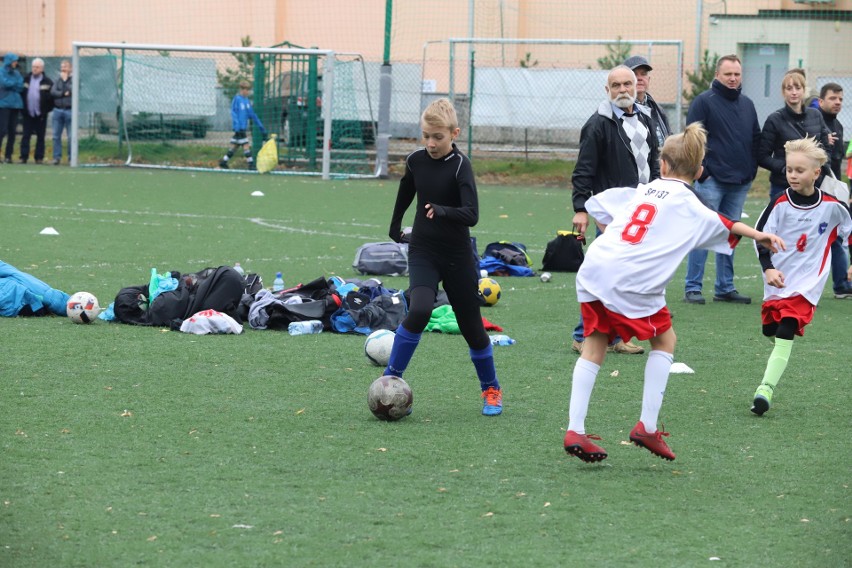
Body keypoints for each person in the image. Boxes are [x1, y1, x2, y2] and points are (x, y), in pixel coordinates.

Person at [563, 123, 785, 463]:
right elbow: (726, 224)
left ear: (662, 165)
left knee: (594, 344)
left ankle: (575, 429)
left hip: (595, 269)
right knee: (665, 342)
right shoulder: (690, 204)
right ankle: (647, 427)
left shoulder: (644, 189)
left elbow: (599, 208)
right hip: (631, 281)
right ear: (698, 171)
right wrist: (760, 236)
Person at [383, 97, 503, 416]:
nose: (431, 143)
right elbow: (407, 189)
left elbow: (472, 214)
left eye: (438, 137)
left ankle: (491, 389)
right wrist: (395, 227)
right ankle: (390, 379)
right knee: (420, 308)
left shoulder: (462, 166)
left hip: (457, 256)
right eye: (426, 136)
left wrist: (443, 210)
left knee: (472, 328)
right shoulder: (416, 160)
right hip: (423, 250)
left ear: (454, 133)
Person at [750, 137, 852, 416]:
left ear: (816, 173)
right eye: (789, 170)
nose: (793, 175)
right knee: (771, 329)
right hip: (779, 278)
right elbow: (760, 238)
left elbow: (849, 231)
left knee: (787, 327)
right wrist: (768, 267)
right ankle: (779, 351)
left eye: (800, 170)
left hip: (809, 281)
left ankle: (765, 389)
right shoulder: (779, 204)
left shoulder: (833, 205)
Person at [570, 65, 660, 355]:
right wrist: (581, 209)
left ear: (636, 87)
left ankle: (617, 336)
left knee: (627, 275)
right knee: (604, 274)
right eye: (616, 85)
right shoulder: (598, 124)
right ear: (607, 90)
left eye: (627, 84)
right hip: (611, 214)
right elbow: (583, 171)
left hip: (641, 211)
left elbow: (653, 162)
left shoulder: (645, 119)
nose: (623, 90)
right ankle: (582, 334)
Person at [683, 54, 761, 305]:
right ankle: (693, 287)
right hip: (711, 181)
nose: (733, 78)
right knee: (703, 233)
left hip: (740, 182)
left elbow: (755, 138)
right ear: (717, 75)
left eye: (737, 74)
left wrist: (751, 170)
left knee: (732, 234)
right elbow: (692, 140)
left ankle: (724, 287)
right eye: (728, 74)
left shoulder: (748, 104)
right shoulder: (703, 102)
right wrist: (701, 171)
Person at [757, 69, 831, 203]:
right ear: (783, 92)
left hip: (813, 185)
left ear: (804, 90)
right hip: (783, 185)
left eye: (798, 87)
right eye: (789, 88)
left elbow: (826, 147)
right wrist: (786, 169)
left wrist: (819, 170)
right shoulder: (774, 119)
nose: (794, 92)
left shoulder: (816, 115)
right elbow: (762, 156)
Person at [816, 83, 852, 298]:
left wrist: (841, 191)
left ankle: (841, 285)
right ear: (821, 101)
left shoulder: (837, 125)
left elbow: (836, 162)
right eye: (832, 98)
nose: (837, 102)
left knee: (837, 237)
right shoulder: (814, 122)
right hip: (814, 190)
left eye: (840, 99)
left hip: (833, 190)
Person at [623, 55, 671, 149]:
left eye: (643, 73)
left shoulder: (657, 110)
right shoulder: (619, 111)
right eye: (635, 74)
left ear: (648, 79)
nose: (639, 78)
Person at [219, 80, 267, 170]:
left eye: (248, 90)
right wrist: (237, 126)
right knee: (246, 145)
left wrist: (262, 128)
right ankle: (251, 165)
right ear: (240, 90)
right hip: (239, 128)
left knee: (234, 146)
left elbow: (252, 114)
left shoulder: (247, 101)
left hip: (243, 128)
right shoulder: (237, 99)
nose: (246, 92)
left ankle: (223, 162)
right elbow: (234, 113)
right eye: (244, 89)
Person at [19, 57, 53, 164]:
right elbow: (21, 94)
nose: (35, 69)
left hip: (41, 114)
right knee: (25, 136)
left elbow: (51, 98)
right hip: (28, 113)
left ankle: (39, 157)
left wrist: (46, 110)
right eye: (33, 67)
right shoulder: (26, 79)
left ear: (42, 68)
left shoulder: (47, 81)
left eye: (37, 67)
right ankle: (23, 157)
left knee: (40, 137)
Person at [0, 52, 24, 164]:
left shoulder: (17, 73)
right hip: (4, 105)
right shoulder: (1, 72)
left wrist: (13, 84)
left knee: (12, 131)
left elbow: (20, 86)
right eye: (14, 61)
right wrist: (14, 84)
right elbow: (5, 84)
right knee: (2, 130)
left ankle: (8, 156)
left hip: (15, 105)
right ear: (9, 61)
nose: (16, 63)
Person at [50, 59, 73, 165]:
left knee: (71, 136)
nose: (63, 69)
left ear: (70, 69)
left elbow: (73, 90)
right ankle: (56, 157)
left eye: (65, 67)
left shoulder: (74, 80)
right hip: (58, 110)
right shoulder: (56, 80)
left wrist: (65, 81)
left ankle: (71, 157)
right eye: (62, 67)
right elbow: (53, 92)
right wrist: (64, 93)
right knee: (55, 135)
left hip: (70, 110)